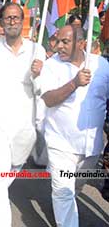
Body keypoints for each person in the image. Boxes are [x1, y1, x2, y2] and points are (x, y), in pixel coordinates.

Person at [0, 2, 45, 227]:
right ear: (2, 21)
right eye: (8, 18)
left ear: (22, 21)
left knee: (8, 172)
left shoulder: (37, 50)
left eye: (16, 17)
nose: (12, 21)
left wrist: (38, 75)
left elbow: (43, 91)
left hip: (25, 126)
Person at [39, 25, 109, 227]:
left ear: (81, 43)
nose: (59, 46)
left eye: (65, 42)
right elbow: (48, 99)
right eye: (58, 40)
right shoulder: (51, 66)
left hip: (91, 147)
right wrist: (74, 84)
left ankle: (66, 208)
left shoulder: (101, 66)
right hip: (60, 143)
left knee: (74, 187)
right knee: (63, 192)